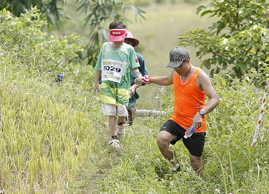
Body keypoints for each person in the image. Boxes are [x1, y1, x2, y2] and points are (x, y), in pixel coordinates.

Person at [130, 46, 220, 177]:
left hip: (194, 125)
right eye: (174, 67)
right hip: (177, 119)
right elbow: (167, 80)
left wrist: (201, 113)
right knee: (162, 139)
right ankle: (178, 169)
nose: (177, 70)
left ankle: (202, 187)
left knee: (195, 163)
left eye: (179, 66)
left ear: (187, 61)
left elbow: (215, 99)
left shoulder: (200, 76)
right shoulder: (176, 72)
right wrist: (148, 79)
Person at [93, 21, 146, 149]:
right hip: (107, 85)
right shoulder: (105, 47)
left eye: (120, 40)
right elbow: (99, 65)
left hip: (123, 86)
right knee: (111, 113)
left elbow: (135, 67)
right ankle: (114, 138)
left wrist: (138, 76)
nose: (117, 42)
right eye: (115, 40)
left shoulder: (129, 50)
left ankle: (121, 124)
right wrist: (96, 82)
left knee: (121, 111)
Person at [121, 31, 148, 129]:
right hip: (115, 98)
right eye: (125, 42)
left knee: (128, 125)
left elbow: (145, 78)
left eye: (130, 43)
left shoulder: (138, 58)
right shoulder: (114, 57)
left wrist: (135, 86)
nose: (128, 45)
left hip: (131, 100)